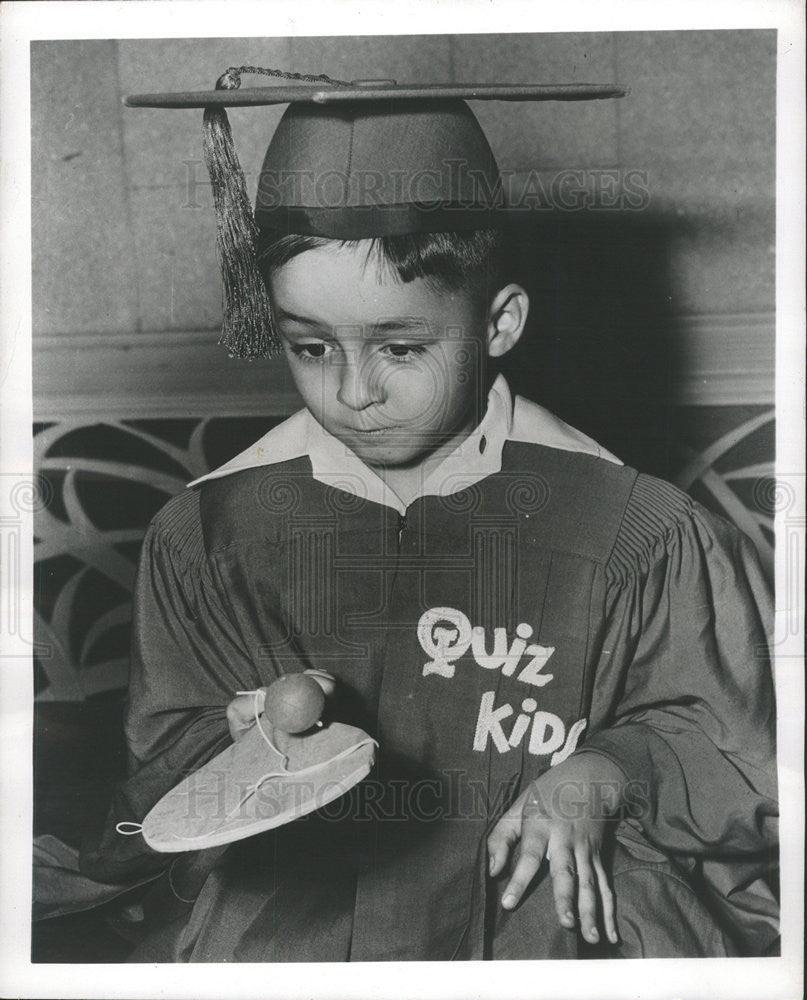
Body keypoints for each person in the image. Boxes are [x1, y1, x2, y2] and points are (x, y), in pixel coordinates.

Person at [77, 69, 778, 961]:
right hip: (301, 921)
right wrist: (248, 738)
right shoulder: (210, 534)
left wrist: (604, 775)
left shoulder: (634, 528)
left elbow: (721, 744)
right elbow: (163, 763)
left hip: (545, 917)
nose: (352, 391)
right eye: (309, 346)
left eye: (400, 347)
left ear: (499, 323)